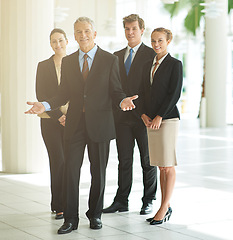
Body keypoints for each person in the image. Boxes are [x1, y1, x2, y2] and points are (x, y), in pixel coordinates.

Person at [25, 17, 138, 234]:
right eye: (78, 32)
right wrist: (45, 105)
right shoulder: (68, 61)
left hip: (100, 125)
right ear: (74, 36)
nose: (83, 35)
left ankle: (94, 215)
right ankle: (70, 219)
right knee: (70, 172)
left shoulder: (109, 59)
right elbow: (63, 94)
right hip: (75, 125)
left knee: (99, 173)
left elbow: (115, 90)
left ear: (94, 34)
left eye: (86, 31)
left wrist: (122, 100)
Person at [103, 14, 157, 216]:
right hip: (122, 119)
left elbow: (153, 88)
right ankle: (121, 201)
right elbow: (112, 87)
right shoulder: (115, 56)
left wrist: (144, 111)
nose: (130, 32)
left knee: (147, 160)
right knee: (124, 161)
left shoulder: (151, 54)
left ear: (142, 30)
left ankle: (148, 200)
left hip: (144, 118)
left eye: (134, 28)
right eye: (127, 28)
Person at [139, 27, 183, 225]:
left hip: (168, 119)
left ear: (168, 41)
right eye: (153, 41)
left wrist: (159, 116)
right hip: (151, 119)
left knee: (168, 165)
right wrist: (143, 114)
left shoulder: (175, 64)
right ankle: (164, 206)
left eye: (160, 41)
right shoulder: (148, 64)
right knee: (160, 166)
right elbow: (142, 91)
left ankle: (164, 207)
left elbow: (174, 94)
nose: (156, 44)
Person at [36, 28, 68, 220]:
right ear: (50, 44)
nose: (58, 44)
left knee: (69, 162)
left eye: (61, 40)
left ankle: (66, 201)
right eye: (54, 41)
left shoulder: (74, 63)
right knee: (58, 161)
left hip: (71, 120)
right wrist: (58, 116)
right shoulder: (43, 66)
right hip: (50, 121)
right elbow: (42, 96)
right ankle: (59, 205)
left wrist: (69, 116)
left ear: (67, 41)